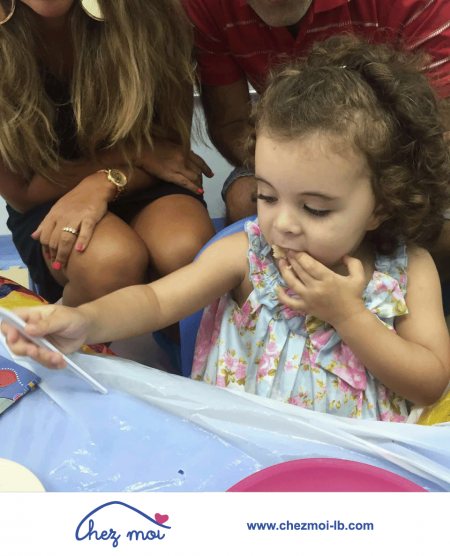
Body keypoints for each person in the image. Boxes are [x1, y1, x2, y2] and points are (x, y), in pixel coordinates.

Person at [3, 36, 450, 421]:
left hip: (356, 463)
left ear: (380, 206)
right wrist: (85, 321)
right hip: (241, 449)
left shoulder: (406, 270)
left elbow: (430, 384)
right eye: (267, 196)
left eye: (315, 209)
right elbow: (156, 301)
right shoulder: (249, 255)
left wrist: (348, 315)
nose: (281, 224)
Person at [178, 0, 450, 247]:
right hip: (282, 151)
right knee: (245, 199)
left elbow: (437, 139)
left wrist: (351, 194)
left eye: (316, 209)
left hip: (386, 162)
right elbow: (231, 124)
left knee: (426, 234)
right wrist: (303, 187)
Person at [0, 0, 215, 311]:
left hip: (146, 180)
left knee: (186, 251)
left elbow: (173, 153)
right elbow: (22, 191)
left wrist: (105, 182)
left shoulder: (150, 8)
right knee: (111, 262)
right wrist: (132, 156)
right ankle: (64, 342)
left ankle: (185, 342)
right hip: (47, 197)